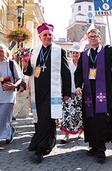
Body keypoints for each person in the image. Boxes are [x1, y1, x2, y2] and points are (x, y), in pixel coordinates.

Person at [75, 20, 112, 163]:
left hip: (103, 93)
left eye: (95, 36)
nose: (93, 38)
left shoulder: (107, 51)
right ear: (87, 39)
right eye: (90, 37)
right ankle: (94, 145)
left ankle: (101, 148)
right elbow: (78, 73)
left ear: (100, 38)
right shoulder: (84, 55)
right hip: (89, 93)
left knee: (101, 119)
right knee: (90, 118)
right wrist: (78, 86)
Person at [22, 22, 71, 164]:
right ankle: (43, 142)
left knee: (48, 118)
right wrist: (25, 66)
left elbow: (66, 72)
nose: (48, 37)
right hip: (37, 90)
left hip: (52, 91)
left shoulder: (59, 50)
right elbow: (30, 71)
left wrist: (66, 92)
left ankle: (42, 148)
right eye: (45, 35)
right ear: (40, 36)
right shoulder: (35, 52)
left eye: (50, 34)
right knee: (39, 118)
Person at [59, 43, 84, 144]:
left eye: (77, 53)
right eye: (73, 52)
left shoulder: (83, 65)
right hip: (69, 93)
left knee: (80, 113)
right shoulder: (67, 65)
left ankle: (80, 132)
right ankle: (66, 135)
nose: (75, 54)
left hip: (80, 93)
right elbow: (62, 78)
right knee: (67, 113)